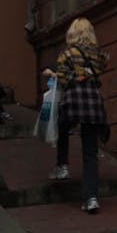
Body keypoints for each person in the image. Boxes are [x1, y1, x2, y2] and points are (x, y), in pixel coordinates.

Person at [45, 17, 109, 214]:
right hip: (93, 102)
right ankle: (91, 198)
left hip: (73, 101)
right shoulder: (97, 54)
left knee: (62, 126)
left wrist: (52, 74)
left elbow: (64, 78)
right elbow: (102, 67)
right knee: (90, 152)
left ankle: (62, 165)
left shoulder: (67, 53)